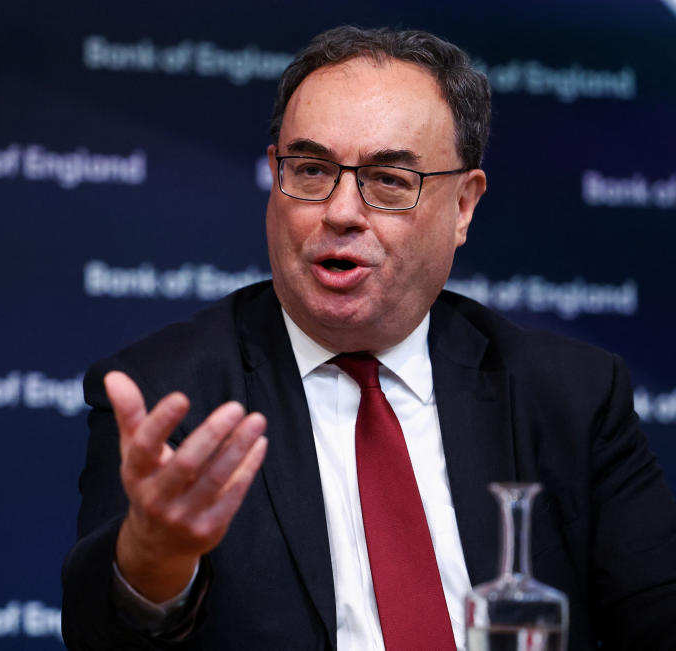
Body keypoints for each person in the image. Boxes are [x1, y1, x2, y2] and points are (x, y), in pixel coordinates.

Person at [61, 25, 676, 650]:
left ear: (463, 206)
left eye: (388, 180)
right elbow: (100, 636)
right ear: (275, 177)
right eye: (310, 169)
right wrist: (152, 562)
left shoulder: (569, 397)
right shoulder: (170, 395)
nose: (342, 211)